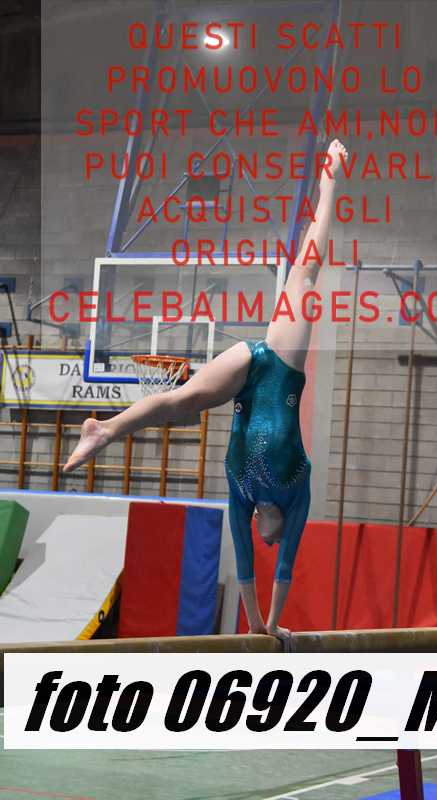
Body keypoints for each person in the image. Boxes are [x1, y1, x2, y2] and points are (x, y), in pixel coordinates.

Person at [63, 138, 349, 642]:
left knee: (183, 401)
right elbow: (285, 569)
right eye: (274, 539)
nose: (269, 541)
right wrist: (274, 626)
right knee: (306, 271)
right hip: (279, 364)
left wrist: (259, 627)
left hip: (245, 376)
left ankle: (104, 430)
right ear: (282, 526)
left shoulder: (242, 494)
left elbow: (247, 567)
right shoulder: (298, 488)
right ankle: (330, 179)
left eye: (266, 539)